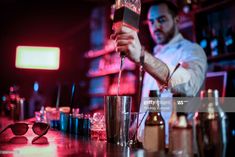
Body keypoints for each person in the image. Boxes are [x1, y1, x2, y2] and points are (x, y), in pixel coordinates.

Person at [111, 0, 207, 143]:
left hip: (174, 145)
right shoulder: (156, 56)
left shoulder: (192, 50)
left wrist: (142, 56)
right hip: (145, 145)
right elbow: (148, 107)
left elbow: (189, 85)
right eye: (151, 22)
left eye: (161, 20)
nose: (156, 27)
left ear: (176, 20)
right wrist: (129, 132)